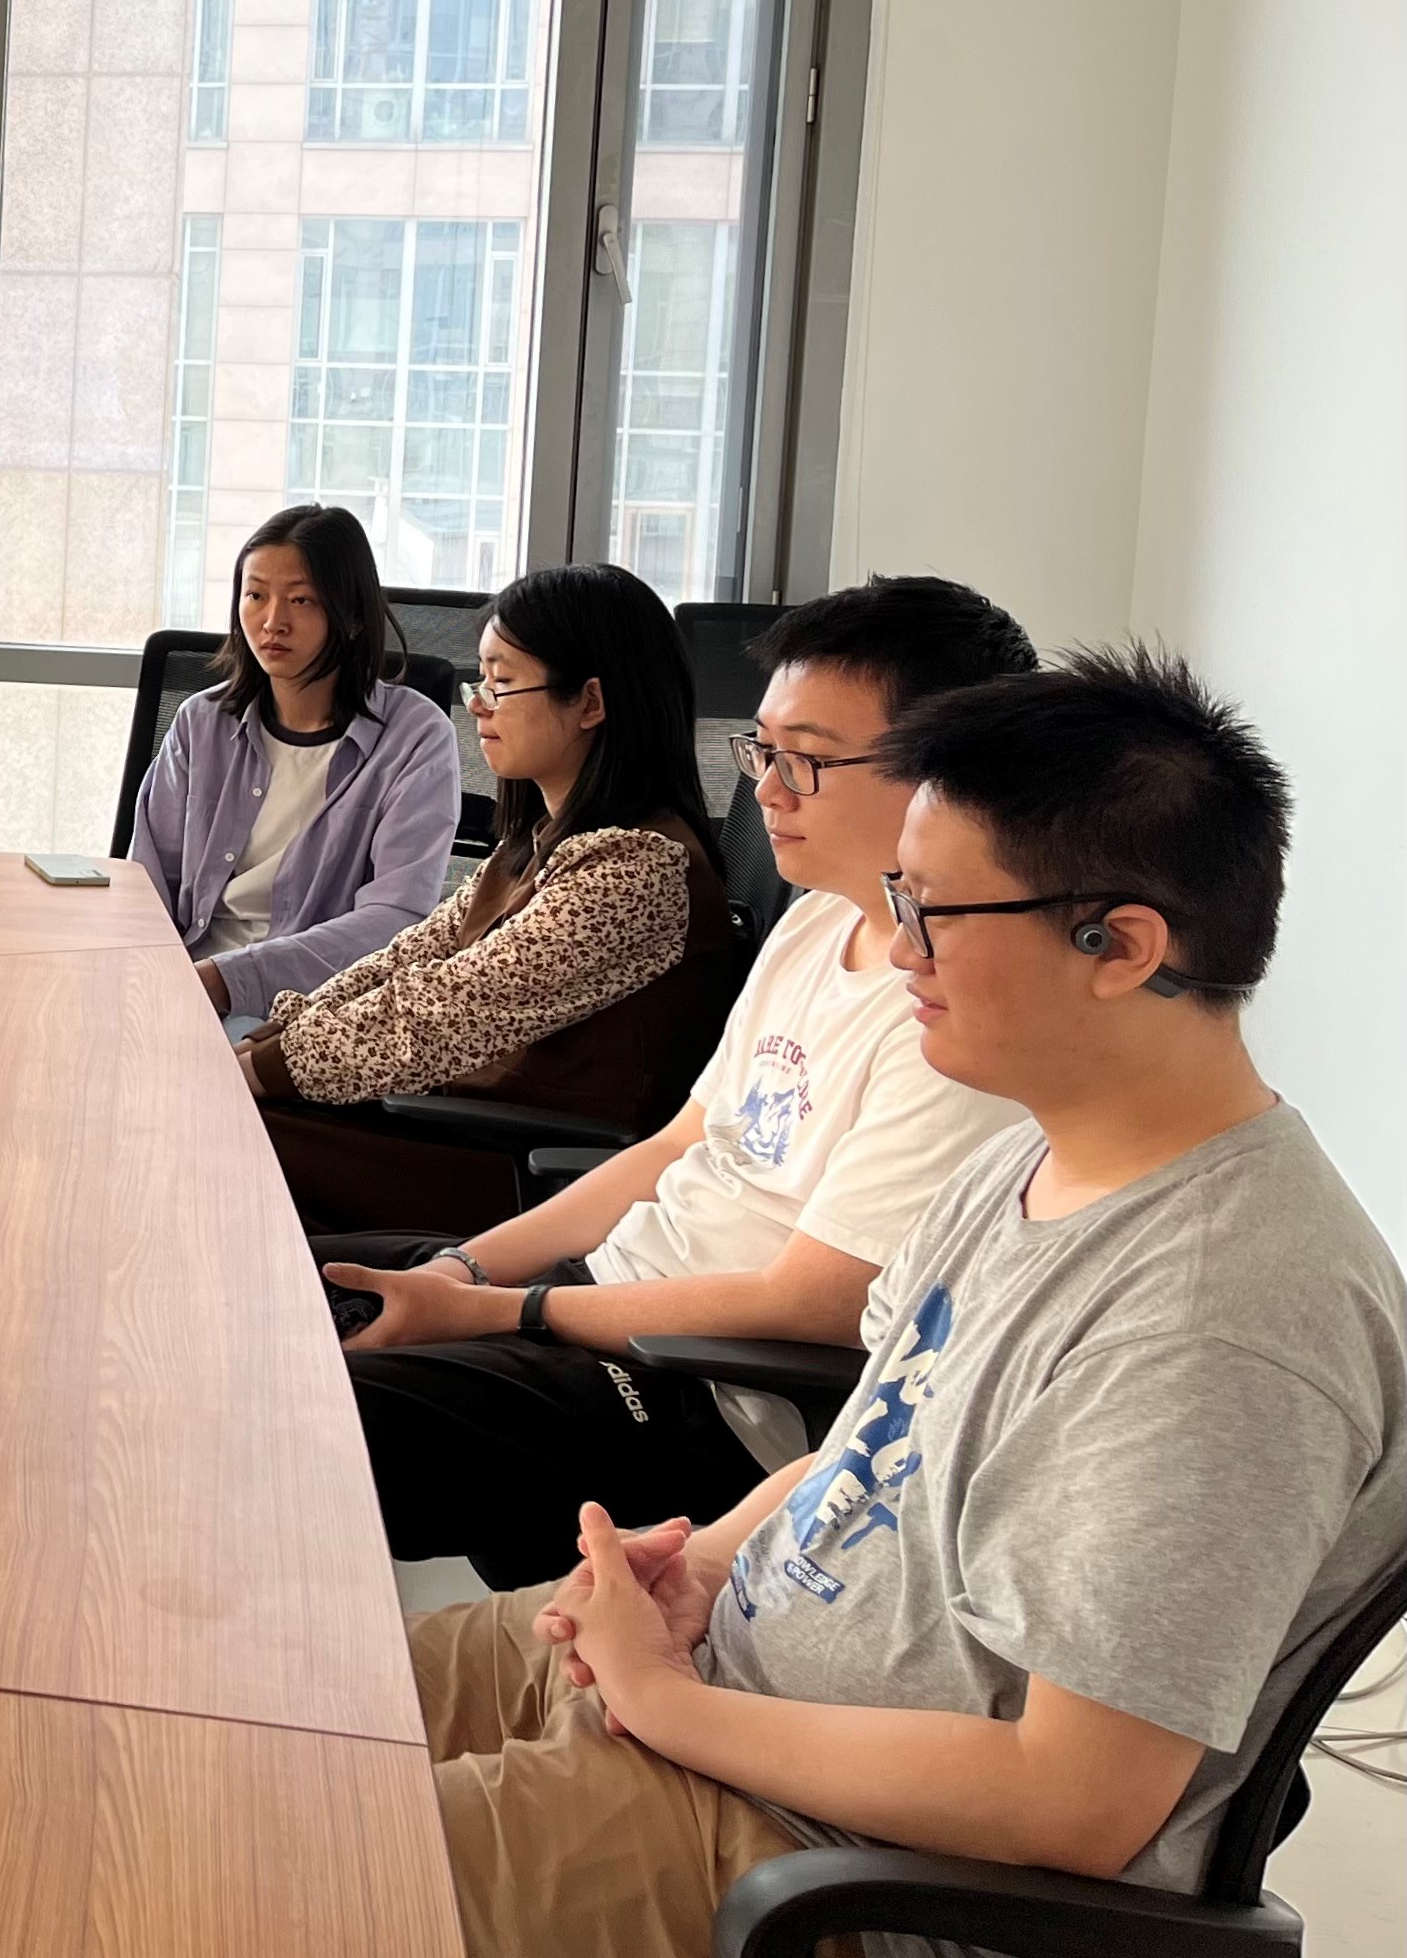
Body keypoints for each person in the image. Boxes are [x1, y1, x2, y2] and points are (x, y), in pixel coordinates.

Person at [417, 650, 1403, 1958]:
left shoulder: (1225, 1319)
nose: (896, 947)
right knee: (281, 1716)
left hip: (812, 1854)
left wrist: (666, 1705)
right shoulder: (1020, 1155)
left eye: (933, 911)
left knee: (258, 1863)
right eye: (898, 897)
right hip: (721, 1696)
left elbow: (1071, 1801)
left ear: (1118, 945)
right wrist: (701, 1564)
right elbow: (866, 1448)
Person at [313, 576, 1038, 1585]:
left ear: (944, 774)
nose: (768, 791)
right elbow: (674, 1145)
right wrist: (466, 1271)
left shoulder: (951, 1018)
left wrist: (501, 1310)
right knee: (268, 1290)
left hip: (701, 1394)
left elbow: (814, 1303)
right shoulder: (816, 919)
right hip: (603, 1293)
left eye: (805, 760)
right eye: (762, 751)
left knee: (284, 1410)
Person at [238, 562, 737, 1233]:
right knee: (217, 1106)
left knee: (215, 1127)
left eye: (501, 683)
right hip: (462, 1124)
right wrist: (270, 1042)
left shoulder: (635, 872)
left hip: (531, 1178)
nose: (477, 704)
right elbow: (408, 961)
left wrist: (260, 1070)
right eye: (482, 680)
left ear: (590, 703)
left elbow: (440, 1016)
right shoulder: (538, 844)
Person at [131, 506, 462, 1023]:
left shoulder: (415, 738)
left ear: (353, 616)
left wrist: (230, 980)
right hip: (182, 983)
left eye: (301, 600)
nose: (272, 622)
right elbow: (145, 884)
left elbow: (395, 919)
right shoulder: (203, 722)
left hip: (307, 1009)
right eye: (255, 595)